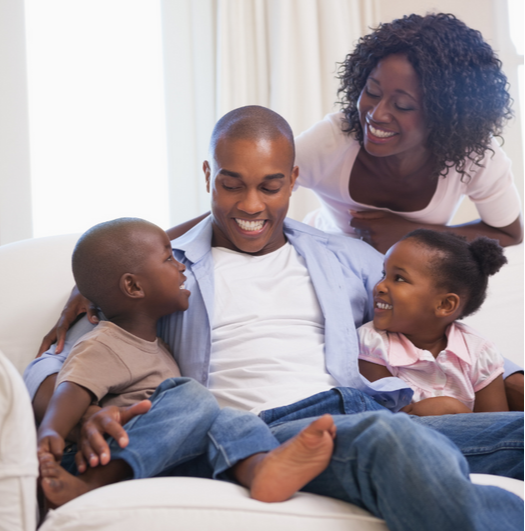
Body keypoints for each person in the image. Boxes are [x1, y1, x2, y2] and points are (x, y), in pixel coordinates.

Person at [26, 106, 523, 531]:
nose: (250, 205)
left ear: (293, 181)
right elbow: (55, 365)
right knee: (387, 438)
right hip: (262, 434)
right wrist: (85, 414)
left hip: (360, 409)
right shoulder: (158, 270)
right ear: (207, 176)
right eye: (231, 184)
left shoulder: (345, 258)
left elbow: (440, 329)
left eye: (270, 186)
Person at [37, 217, 337, 508]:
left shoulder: (159, 347)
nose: (182, 266)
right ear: (134, 287)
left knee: (232, 417)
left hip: (157, 461)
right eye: (169, 259)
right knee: (193, 397)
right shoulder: (106, 342)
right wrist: (52, 432)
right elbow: (72, 389)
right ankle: (91, 486)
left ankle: (263, 468)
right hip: (96, 459)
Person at [294, 13, 523, 254]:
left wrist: (416, 236)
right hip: (326, 256)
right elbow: (259, 180)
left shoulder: (474, 156)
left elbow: (509, 233)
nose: (377, 114)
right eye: (372, 91)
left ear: (441, 115)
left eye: (402, 105)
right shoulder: (333, 138)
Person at [358, 229, 509, 416]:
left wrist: (457, 412)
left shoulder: (480, 352)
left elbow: (499, 426)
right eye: (383, 274)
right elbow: (386, 416)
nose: (379, 286)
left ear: (445, 304)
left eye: (399, 278)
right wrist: (448, 409)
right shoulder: (372, 342)